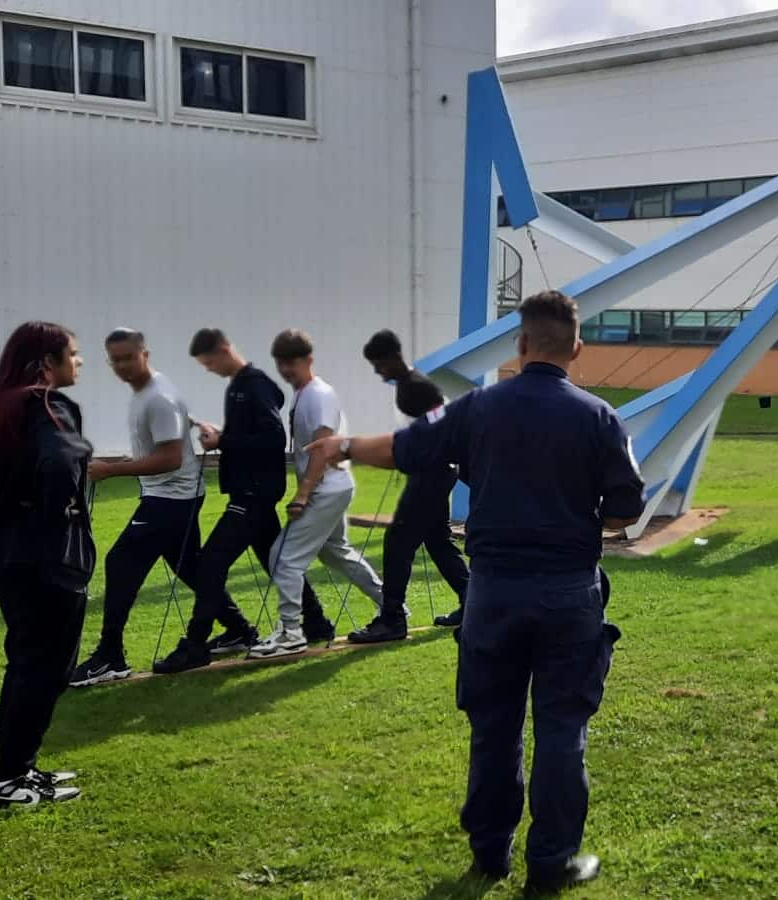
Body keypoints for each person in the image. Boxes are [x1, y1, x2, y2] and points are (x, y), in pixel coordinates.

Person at [300, 290, 643, 894]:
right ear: (577, 348)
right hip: (568, 594)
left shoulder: (477, 408)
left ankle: (491, 853)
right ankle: (551, 861)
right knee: (562, 730)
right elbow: (624, 510)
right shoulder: (598, 417)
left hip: (494, 594)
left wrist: (344, 447)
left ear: (521, 344)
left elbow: (406, 449)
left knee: (494, 727)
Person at [151, 329, 331, 675]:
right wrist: (222, 437)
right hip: (252, 493)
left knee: (210, 565)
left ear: (222, 350)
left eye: (208, 363)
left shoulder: (253, 385)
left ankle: (197, 645)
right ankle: (316, 622)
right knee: (276, 561)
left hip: (253, 494)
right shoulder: (241, 386)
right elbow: (254, 433)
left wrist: (223, 439)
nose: (209, 369)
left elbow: (272, 437)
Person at [0, 322, 91, 808]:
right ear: (46, 364)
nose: (77, 363)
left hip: (5, 550)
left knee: (29, 661)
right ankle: (9, 778)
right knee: (46, 667)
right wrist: (63, 515)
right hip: (41, 557)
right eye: (72, 355)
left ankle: (17, 768)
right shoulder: (44, 404)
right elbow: (59, 465)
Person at [68, 329, 228, 688]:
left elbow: (170, 458)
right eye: (116, 360)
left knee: (120, 561)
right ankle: (238, 629)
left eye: (129, 357)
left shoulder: (158, 397)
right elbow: (170, 433)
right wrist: (196, 422)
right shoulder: (150, 391)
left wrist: (112, 470)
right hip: (171, 496)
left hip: (171, 498)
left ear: (145, 353)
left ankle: (111, 655)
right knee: (191, 568)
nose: (122, 365)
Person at [247, 330, 386, 659]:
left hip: (326, 486)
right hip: (333, 485)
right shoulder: (305, 393)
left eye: (291, 363)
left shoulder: (318, 395)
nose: (286, 370)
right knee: (337, 552)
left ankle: (291, 632)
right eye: (281, 363)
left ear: (308, 360)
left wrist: (302, 494)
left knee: (283, 557)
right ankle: (392, 606)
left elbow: (323, 448)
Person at [348, 329, 472, 643]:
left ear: (392, 358)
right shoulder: (410, 384)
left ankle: (392, 621)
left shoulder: (416, 387)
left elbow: (441, 429)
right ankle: (474, 604)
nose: (377, 372)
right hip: (436, 472)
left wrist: (412, 455)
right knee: (438, 542)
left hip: (431, 474)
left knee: (397, 543)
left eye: (378, 365)